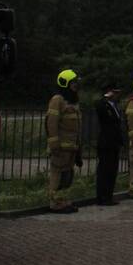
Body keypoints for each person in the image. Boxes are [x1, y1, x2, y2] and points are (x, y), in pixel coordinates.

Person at [46, 69, 83, 213]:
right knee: (57, 173)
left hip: (71, 146)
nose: (76, 86)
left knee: (67, 174)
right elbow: (51, 123)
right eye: (73, 83)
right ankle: (55, 202)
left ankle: (63, 200)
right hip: (61, 146)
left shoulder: (73, 101)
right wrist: (54, 144)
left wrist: (79, 146)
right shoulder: (57, 100)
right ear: (65, 83)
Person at [94, 83, 124, 206]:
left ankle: (109, 196)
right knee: (104, 170)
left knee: (112, 170)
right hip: (106, 142)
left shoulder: (115, 106)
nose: (117, 95)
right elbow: (99, 108)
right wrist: (106, 97)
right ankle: (102, 197)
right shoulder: (103, 104)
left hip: (114, 142)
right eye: (115, 92)